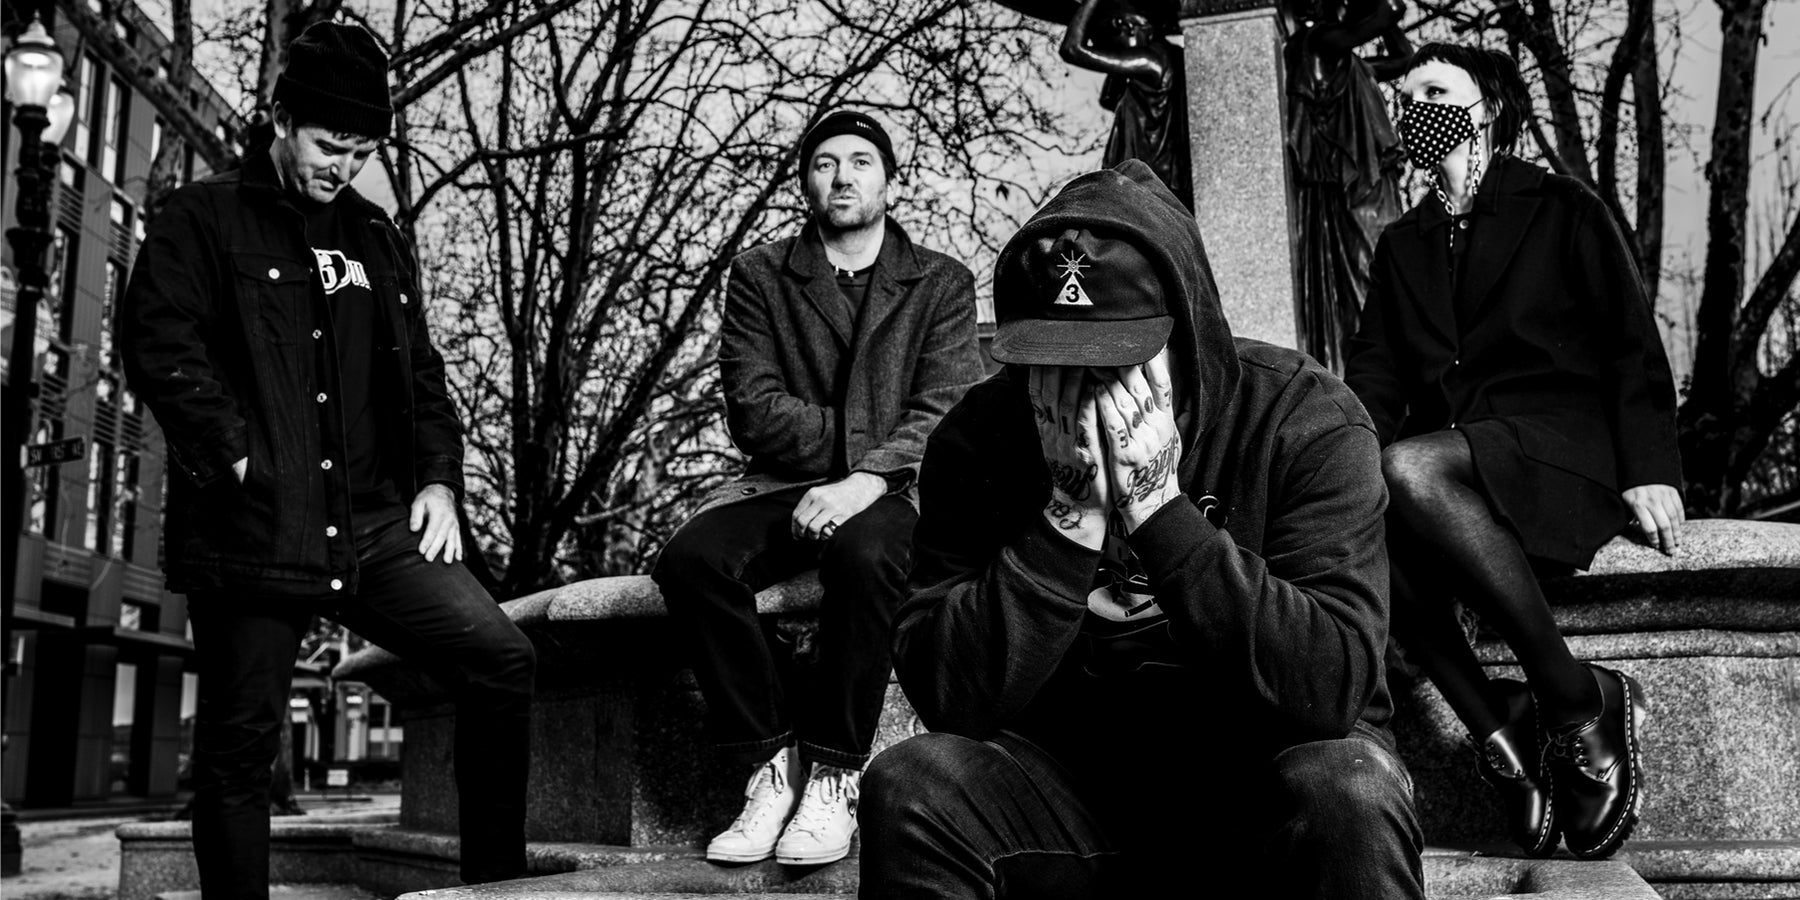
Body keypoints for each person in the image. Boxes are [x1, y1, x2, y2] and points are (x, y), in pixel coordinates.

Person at [858, 159, 1423, 897]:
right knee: (910, 783)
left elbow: (1331, 684)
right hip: (1075, 788)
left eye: (1116, 362)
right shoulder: (978, 436)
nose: (1084, 391)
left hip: (1263, 782)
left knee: (1349, 786)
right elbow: (949, 696)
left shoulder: (1304, 418)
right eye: (1053, 364)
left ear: (1189, 340)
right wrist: (1068, 520)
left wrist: (1160, 510)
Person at [119, 22, 536, 896]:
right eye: (328, 145)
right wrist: (237, 457)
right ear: (282, 119)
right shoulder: (202, 218)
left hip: (375, 524)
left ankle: (495, 890)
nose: (342, 166)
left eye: (362, 151)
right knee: (240, 747)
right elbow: (158, 342)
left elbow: (421, 374)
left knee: (501, 657)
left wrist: (439, 482)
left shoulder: (377, 237)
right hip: (259, 523)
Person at [1344, 44, 1683, 859]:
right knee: (1359, 514)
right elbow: (1375, 380)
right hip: (1459, 468)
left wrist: (1651, 469)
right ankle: (1500, 731)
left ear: (1487, 108)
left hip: (1560, 449)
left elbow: (1629, 342)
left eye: (1434, 90)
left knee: (1405, 467)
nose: (1412, 107)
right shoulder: (1401, 246)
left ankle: (1575, 699)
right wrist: (1333, 471)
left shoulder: (1561, 205)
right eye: (1405, 96)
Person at [650, 110, 985, 867]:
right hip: (783, 481)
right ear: (806, 180)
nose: (842, 176)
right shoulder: (761, 275)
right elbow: (753, 407)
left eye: (861, 161)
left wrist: (865, 479)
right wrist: (851, 449)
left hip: (898, 487)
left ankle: (834, 772)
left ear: (889, 180)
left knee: (867, 557)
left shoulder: (941, 282)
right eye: (825, 162)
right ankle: (771, 765)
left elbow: (946, 408)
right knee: (692, 561)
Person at [1284, 0, 1410, 373]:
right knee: (1370, 278)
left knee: (1386, 274)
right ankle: (1374, 369)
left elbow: (1404, 58)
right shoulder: (1318, 42)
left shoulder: (1348, 62)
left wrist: (1379, 19)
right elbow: (1388, 11)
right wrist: (1372, 12)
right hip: (1352, 191)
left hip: (1370, 183)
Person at [1061, 0, 1193, 210]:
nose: (1114, 48)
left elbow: (1072, 49)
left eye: (1113, 35)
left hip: (1148, 182)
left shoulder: (1151, 60)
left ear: (1130, 27)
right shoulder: (1166, 57)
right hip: (1152, 182)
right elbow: (1108, 99)